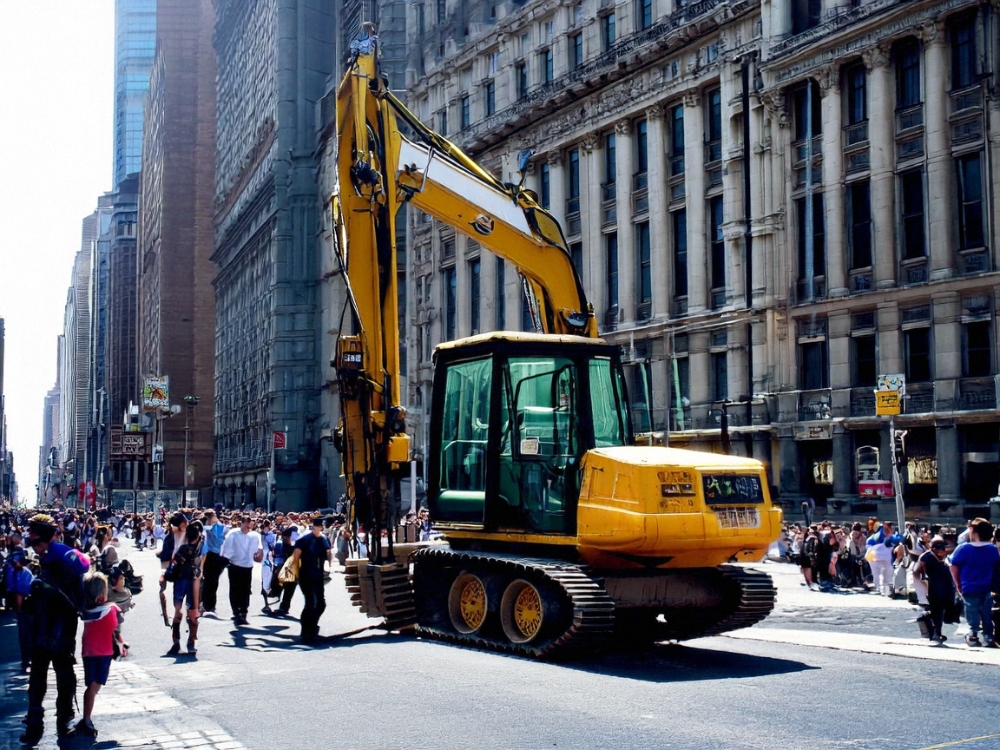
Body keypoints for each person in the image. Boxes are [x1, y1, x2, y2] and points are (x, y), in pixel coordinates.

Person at [21, 514, 90, 745]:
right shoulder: (49, 556)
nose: (34, 547)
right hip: (44, 624)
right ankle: (35, 721)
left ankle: (64, 720)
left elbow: (77, 595)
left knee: (62, 675)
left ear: (46, 539)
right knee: (39, 675)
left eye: (35, 542)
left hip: (60, 624)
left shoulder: (63, 558)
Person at [77, 572, 127, 737]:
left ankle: (86, 717)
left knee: (92, 685)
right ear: (101, 593)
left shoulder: (85, 611)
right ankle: (86, 719)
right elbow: (115, 628)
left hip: (88, 651)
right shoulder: (111, 609)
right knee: (95, 685)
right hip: (104, 652)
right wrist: (121, 643)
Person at [950, 518, 1000, 647]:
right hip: (986, 587)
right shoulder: (992, 549)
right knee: (987, 612)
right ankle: (989, 636)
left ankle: (973, 635)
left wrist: (958, 585)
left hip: (969, 587)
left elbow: (953, 566)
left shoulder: (963, 549)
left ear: (973, 531)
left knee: (972, 612)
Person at [292, 516, 332, 644]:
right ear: (313, 526)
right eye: (317, 525)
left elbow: (328, 552)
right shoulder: (304, 540)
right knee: (310, 603)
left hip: (318, 575)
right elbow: (296, 557)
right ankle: (306, 631)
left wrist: (329, 565)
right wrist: (295, 573)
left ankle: (312, 626)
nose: (318, 528)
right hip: (305, 575)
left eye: (320, 526)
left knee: (321, 604)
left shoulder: (324, 539)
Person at [169, 522, 204, 654]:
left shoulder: (183, 547)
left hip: (181, 580)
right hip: (193, 581)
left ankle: (176, 641)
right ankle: (191, 642)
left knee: (178, 611)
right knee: (193, 612)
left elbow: (176, 560)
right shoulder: (201, 546)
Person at [220, 514, 261, 626]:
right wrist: (226, 559)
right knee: (235, 589)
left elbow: (259, 550)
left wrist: (258, 555)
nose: (248, 526)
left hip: (248, 566)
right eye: (247, 523)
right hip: (235, 565)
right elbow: (227, 549)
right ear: (242, 523)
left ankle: (243, 612)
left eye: (250, 523)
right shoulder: (233, 534)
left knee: (246, 590)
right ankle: (236, 611)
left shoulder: (254, 535)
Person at [913, 536, 955, 643]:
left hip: (942, 588)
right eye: (942, 549)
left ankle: (935, 631)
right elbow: (924, 577)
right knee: (937, 612)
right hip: (934, 589)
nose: (944, 552)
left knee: (940, 612)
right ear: (935, 548)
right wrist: (926, 592)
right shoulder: (927, 558)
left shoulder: (937, 558)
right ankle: (934, 631)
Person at [5, 549, 35, 671]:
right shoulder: (16, 573)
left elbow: (19, 595)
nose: (12, 564)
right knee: (24, 636)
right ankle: (26, 660)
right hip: (23, 611)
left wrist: (20, 609)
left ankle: (29, 659)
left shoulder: (24, 574)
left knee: (28, 635)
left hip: (27, 609)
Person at [200, 509, 228, 615]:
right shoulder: (206, 527)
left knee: (211, 582)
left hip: (214, 555)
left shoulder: (217, 527)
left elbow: (222, 536)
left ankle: (209, 605)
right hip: (209, 555)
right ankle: (207, 604)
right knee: (209, 581)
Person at [866, 520, 902, 597]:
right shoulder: (877, 536)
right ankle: (881, 589)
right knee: (877, 575)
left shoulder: (892, 535)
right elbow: (869, 543)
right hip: (874, 558)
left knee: (887, 574)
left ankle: (885, 590)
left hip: (885, 559)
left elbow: (898, 539)